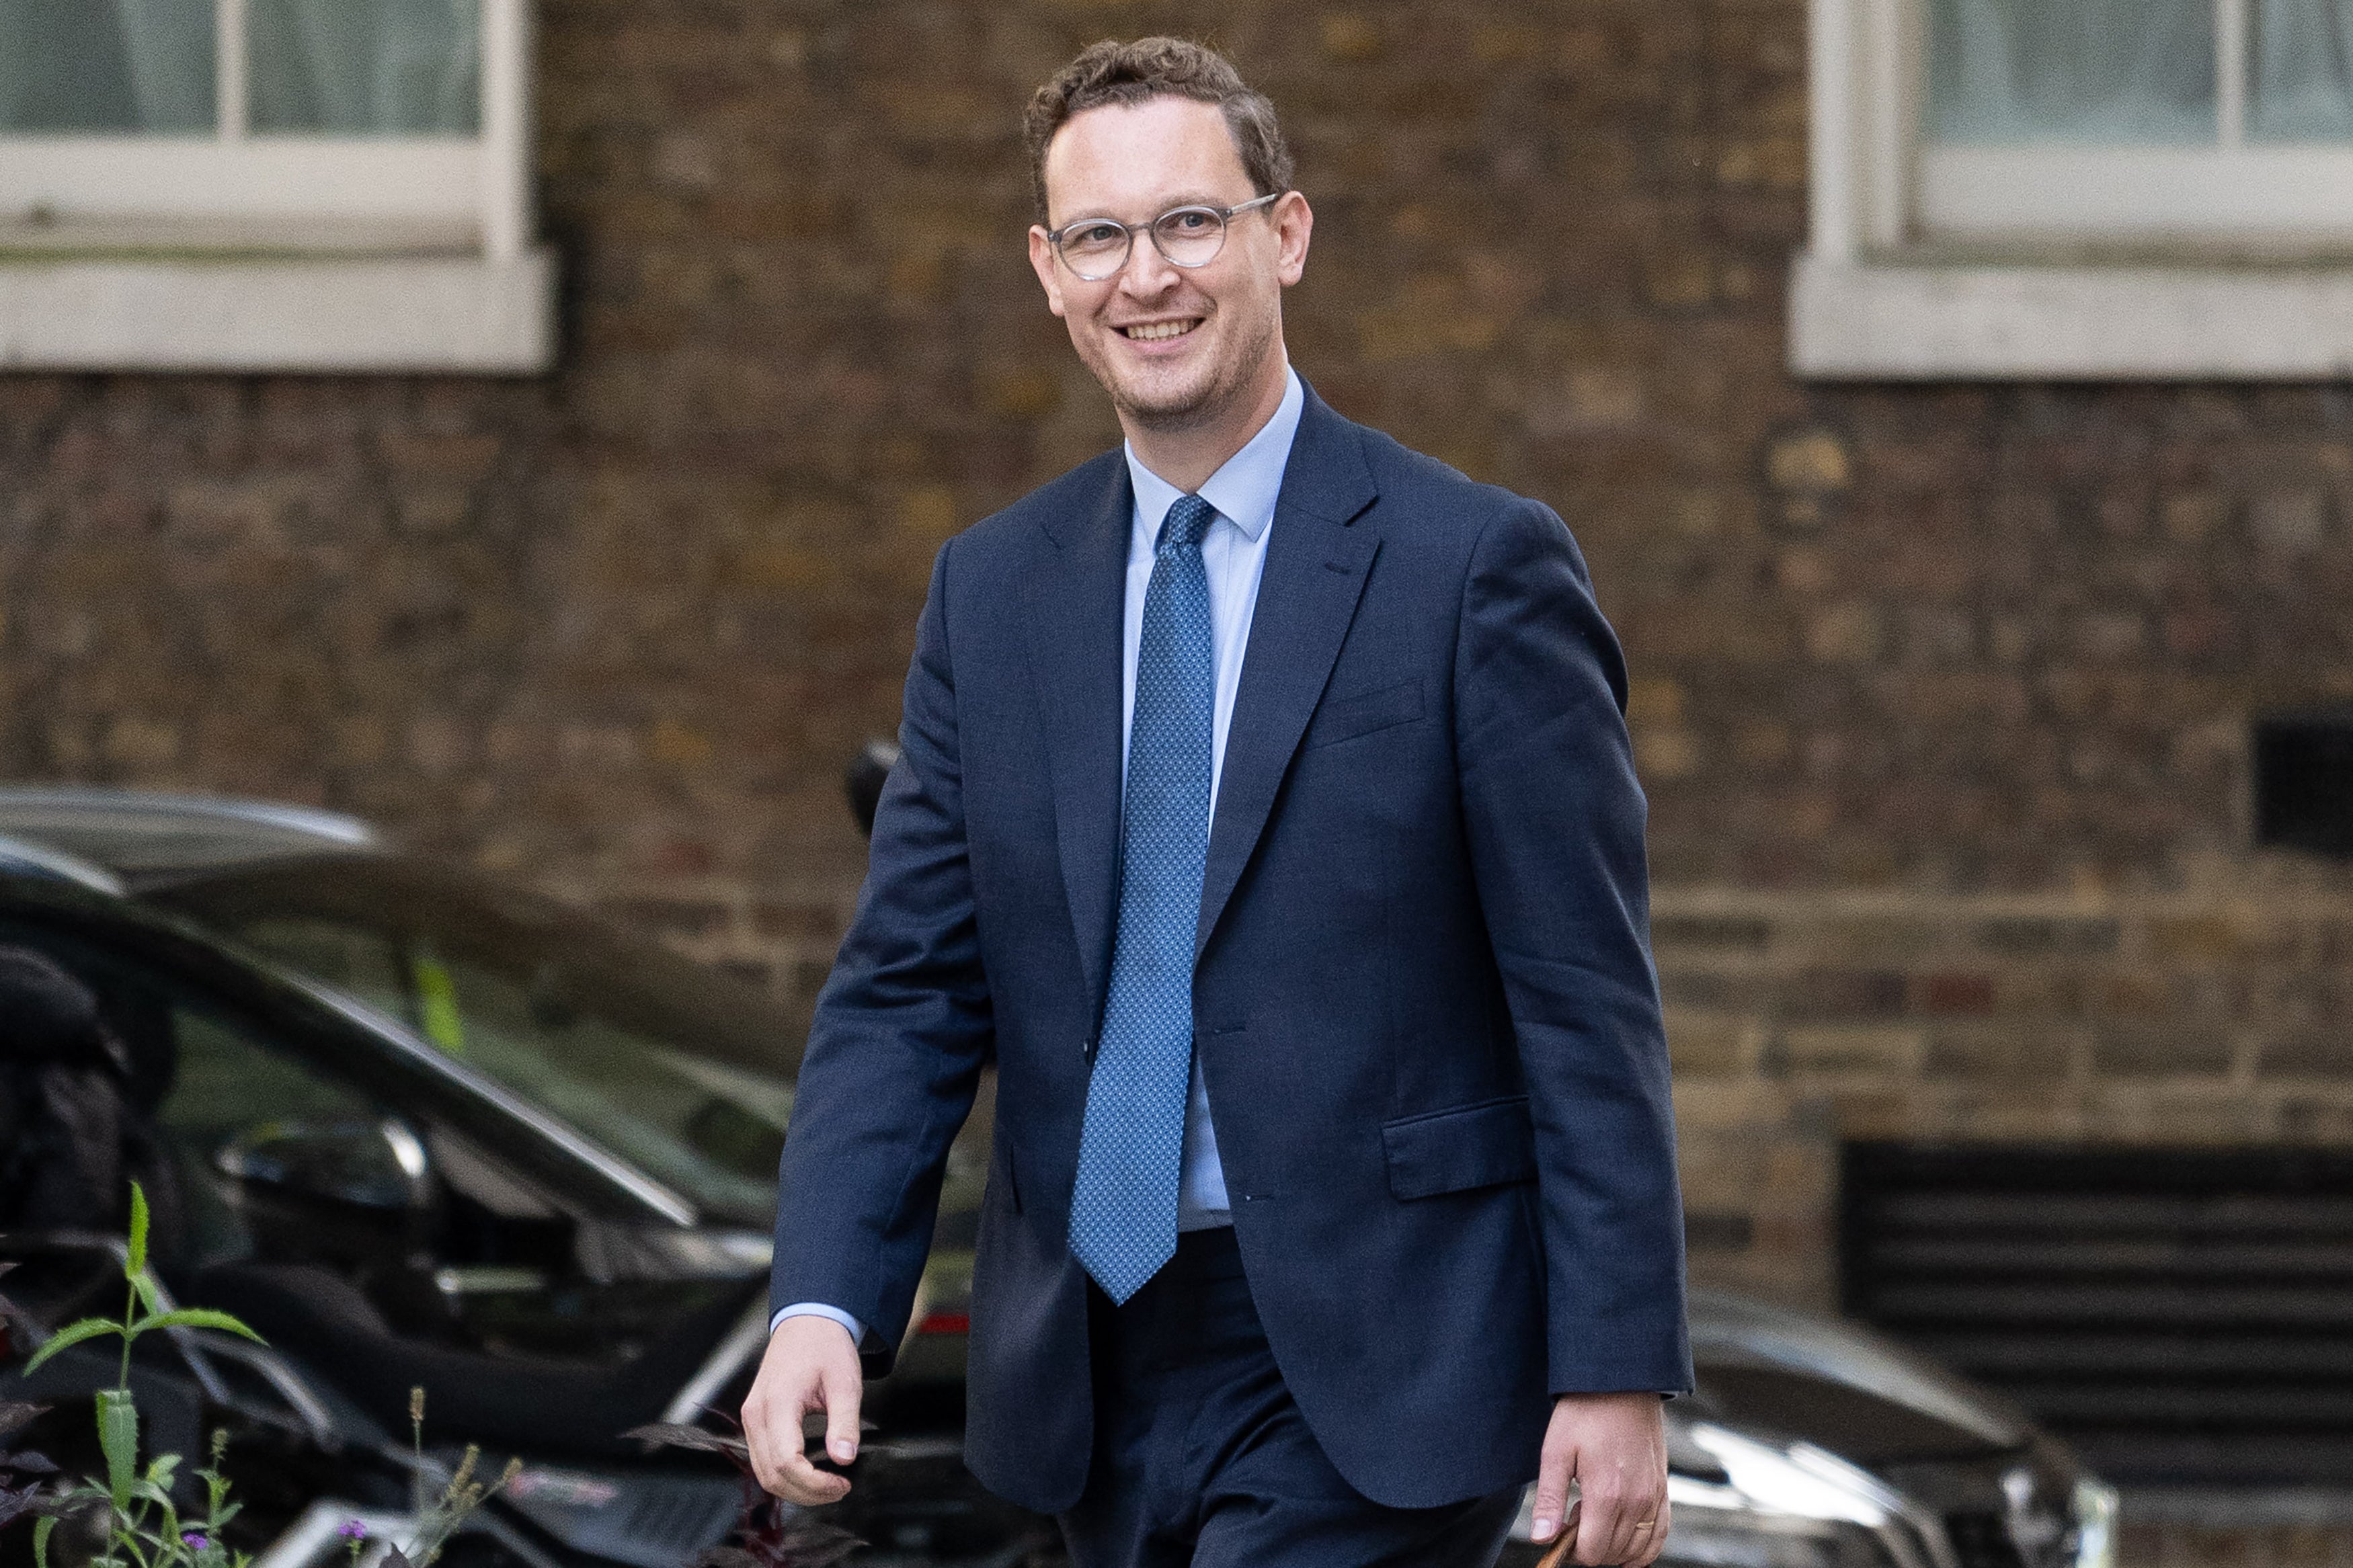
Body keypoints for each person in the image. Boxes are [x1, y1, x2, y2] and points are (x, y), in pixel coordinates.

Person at [744, 37, 1691, 1568]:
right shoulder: (993, 594)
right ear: (1049, 273)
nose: (1147, 277)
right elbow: (907, 989)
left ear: (1285, 236)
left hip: (1384, 1345)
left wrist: (1613, 1361)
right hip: (1087, 1357)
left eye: (1190, 221)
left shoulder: (1472, 569)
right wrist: (822, 1298)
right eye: (1099, 237)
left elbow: (1581, 996)